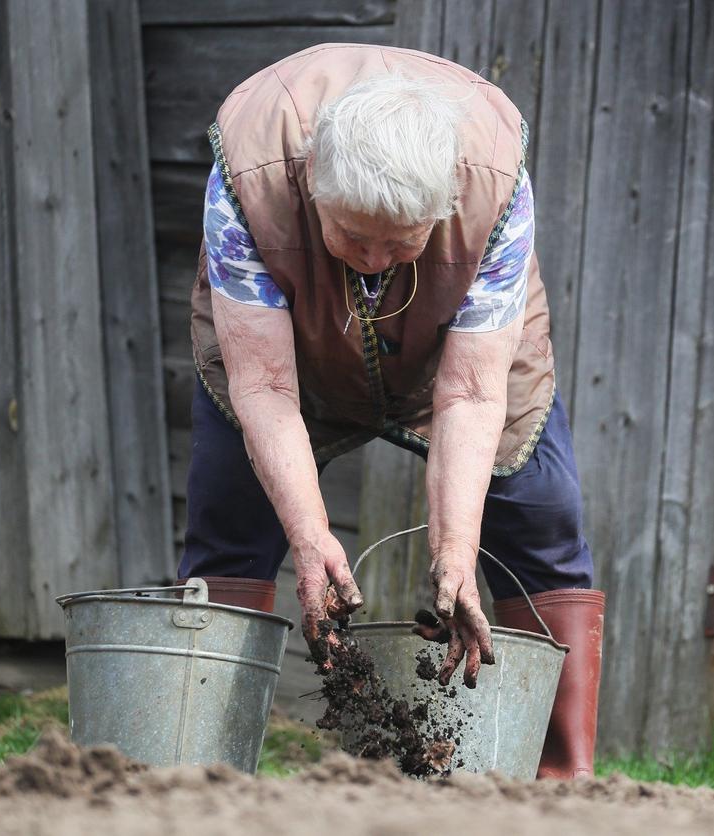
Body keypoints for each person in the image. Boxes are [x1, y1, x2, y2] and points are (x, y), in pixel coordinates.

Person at [180, 43, 606, 779]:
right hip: (287, 353)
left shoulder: (492, 189)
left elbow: (473, 394)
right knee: (231, 519)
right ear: (312, 182)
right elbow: (265, 389)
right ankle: (203, 777)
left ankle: (562, 788)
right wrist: (312, 543)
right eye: (353, 237)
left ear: (442, 206)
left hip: (462, 355)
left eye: (400, 243)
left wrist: (454, 553)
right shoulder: (249, 182)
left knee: (542, 519)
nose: (375, 261)